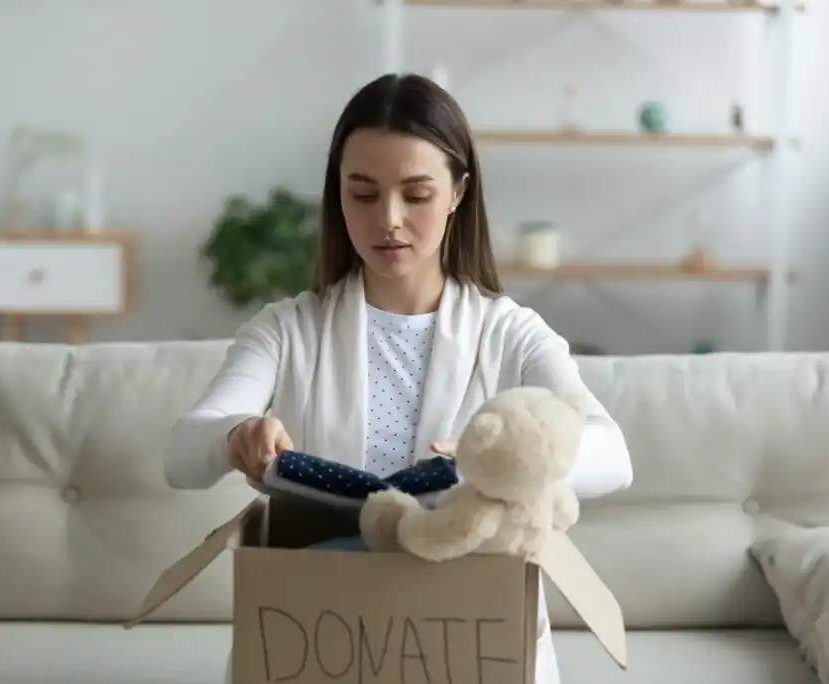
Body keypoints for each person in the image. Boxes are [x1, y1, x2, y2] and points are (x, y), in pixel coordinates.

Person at [164, 72, 634, 684]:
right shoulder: (286, 330)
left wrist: (503, 461)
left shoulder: (511, 333)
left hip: (469, 638)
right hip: (319, 637)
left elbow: (613, 454)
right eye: (363, 194)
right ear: (337, 194)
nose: (388, 220)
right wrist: (234, 438)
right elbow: (181, 453)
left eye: (416, 195)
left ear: (458, 192)